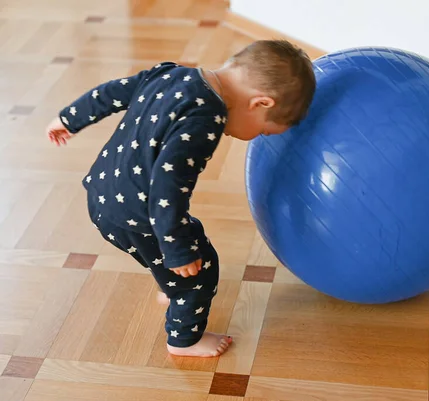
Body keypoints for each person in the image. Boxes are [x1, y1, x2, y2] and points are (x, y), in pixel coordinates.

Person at [46, 40, 316, 357]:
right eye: (265, 131)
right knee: (199, 270)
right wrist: (177, 250)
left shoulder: (172, 73)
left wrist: (69, 118)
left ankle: (169, 283)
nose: (257, 137)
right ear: (260, 103)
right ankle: (184, 340)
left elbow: (112, 92)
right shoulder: (206, 119)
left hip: (101, 196)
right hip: (139, 212)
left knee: (178, 240)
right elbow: (167, 186)